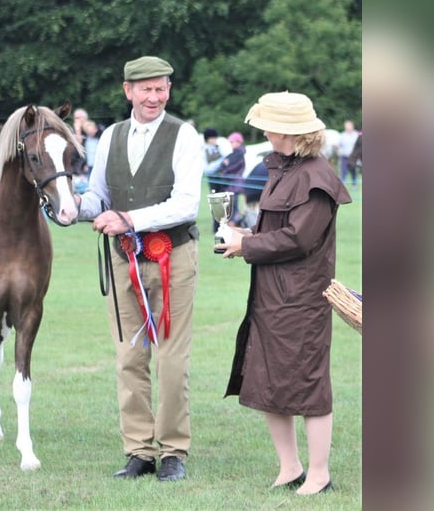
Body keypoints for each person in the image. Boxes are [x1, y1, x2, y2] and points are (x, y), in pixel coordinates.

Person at [216, 91, 351, 495]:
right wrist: (245, 236)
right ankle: (289, 468)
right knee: (268, 380)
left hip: (303, 298)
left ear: (286, 130)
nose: (263, 131)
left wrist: (248, 247)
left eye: (268, 125)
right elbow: (276, 231)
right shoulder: (282, 168)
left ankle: (319, 474)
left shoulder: (317, 177)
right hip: (271, 295)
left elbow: (299, 239)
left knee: (308, 384)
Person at [76, 56, 203, 482]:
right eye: (146, 89)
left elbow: (186, 203)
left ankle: (173, 452)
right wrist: (73, 207)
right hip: (122, 260)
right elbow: (98, 195)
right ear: (127, 90)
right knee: (128, 357)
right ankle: (139, 451)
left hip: (175, 258)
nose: (155, 97)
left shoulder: (184, 135)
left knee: (170, 359)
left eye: (162, 88)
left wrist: (128, 218)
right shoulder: (110, 136)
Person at [214, 131, 246, 224]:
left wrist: (224, 170)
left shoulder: (239, 153)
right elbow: (223, 164)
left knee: (233, 208)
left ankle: (236, 224)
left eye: (232, 142)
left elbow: (233, 167)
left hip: (235, 184)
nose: (230, 144)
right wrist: (224, 166)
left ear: (238, 142)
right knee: (231, 207)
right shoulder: (234, 153)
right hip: (231, 183)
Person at [338, 120, 360, 186]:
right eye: (347, 126)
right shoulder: (342, 135)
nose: (348, 128)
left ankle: (354, 184)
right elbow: (339, 144)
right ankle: (343, 184)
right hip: (344, 156)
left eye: (349, 126)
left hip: (353, 157)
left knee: (353, 170)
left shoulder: (357, 134)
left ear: (352, 126)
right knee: (344, 170)